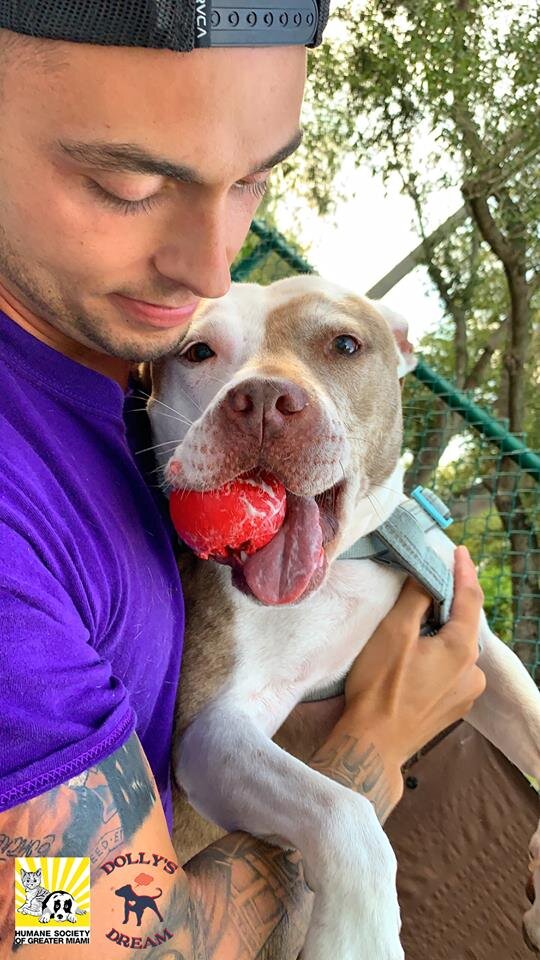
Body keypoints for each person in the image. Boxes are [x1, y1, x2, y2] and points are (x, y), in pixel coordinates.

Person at [0, 4, 485, 956]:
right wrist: (364, 757)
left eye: (254, 178)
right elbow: (76, 938)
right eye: (128, 181)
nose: (212, 260)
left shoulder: (127, 377)